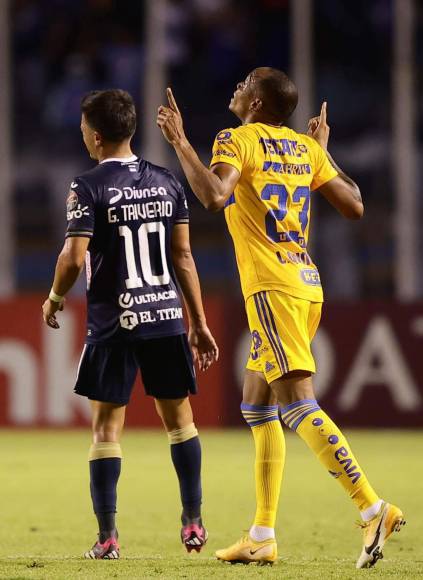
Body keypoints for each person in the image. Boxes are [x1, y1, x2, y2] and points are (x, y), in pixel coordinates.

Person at [156, 67, 405, 569]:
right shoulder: (305, 149)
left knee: (296, 403)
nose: (237, 86)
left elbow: (213, 196)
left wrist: (181, 143)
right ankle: (262, 534)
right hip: (306, 284)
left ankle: (373, 507)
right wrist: (322, 150)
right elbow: (354, 205)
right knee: (256, 404)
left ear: (258, 103)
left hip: (272, 288)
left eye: (246, 83)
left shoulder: (237, 139)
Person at [42, 89, 218, 559]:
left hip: (114, 321)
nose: (83, 138)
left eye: (83, 131)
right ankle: (194, 524)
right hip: (164, 316)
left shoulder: (87, 185)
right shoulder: (166, 182)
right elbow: (182, 255)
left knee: (105, 431)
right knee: (181, 424)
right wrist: (197, 321)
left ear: (96, 137)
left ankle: (108, 538)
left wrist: (55, 298)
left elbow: (74, 258)